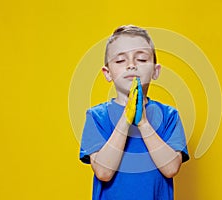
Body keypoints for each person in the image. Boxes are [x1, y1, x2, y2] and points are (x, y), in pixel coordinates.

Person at [79, 25, 189, 200]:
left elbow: (171, 169)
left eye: (142, 59)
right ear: (108, 73)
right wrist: (126, 119)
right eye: (120, 60)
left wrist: (143, 123)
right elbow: (103, 172)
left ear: (155, 70)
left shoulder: (169, 116)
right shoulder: (97, 117)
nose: (131, 65)